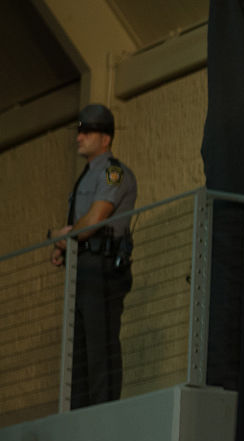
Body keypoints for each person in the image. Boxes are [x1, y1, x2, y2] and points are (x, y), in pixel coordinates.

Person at [50, 104, 137, 409]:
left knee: (100, 350)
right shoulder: (86, 177)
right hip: (83, 267)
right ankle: (81, 416)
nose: (80, 136)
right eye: (79, 130)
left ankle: (103, 414)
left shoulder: (113, 173)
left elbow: (95, 220)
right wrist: (66, 246)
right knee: (80, 354)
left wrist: (63, 237)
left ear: (105, 138)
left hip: (102, 269)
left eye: (87, 131)